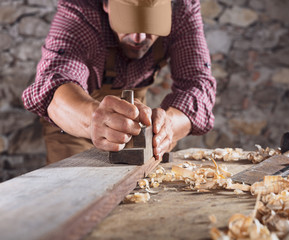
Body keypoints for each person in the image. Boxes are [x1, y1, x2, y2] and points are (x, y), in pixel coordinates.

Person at [22, 0, 216, 164]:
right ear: (106, 4)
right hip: (76, 122)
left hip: (133, 125)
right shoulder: (81, 7)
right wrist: (92, 120)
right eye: (128, 23)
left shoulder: (181, 7)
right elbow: (54, 82)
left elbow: (197, 84)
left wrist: (168, 126)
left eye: (151, 25)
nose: (138, 38)